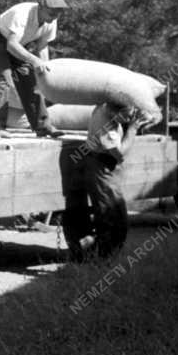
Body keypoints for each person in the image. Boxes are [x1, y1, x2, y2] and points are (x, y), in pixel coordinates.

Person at [62, 102, 146, 261]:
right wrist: (133, 129)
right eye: (128, 113)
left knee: (112, 216)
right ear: (117, 109)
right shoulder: (107, 124)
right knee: (113, 218)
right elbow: (120, 154)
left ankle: (92, 252)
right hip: (102, 170)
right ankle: (102, 259)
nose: (130, 117)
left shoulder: (103, 109)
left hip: (100, 167)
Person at [0, 0, 68, 137]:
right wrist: (35, 60)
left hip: (20, 44)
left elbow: (42, 46)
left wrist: (45, 70)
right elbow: (11, 45)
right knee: (3, 81)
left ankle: (42, 126)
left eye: (57, 15)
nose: (54, 17)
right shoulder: (22, 14)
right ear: (40, 7)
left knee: (31, 81)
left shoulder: (51, 21)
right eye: (51, 13)